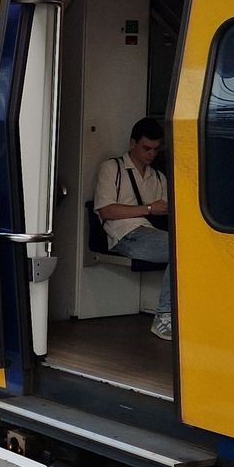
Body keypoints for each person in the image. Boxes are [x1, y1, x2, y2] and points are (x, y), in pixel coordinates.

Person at [93, 117, 174, 340]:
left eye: (156, 149)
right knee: (179, 251)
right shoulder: (112, 168)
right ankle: (164, 316)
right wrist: (149, 209)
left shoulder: (158, 177)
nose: (151, 154)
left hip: (150, 232)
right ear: (132, 143)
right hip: (124, 234)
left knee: (185, 249)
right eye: (146, 148)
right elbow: (106, 211)